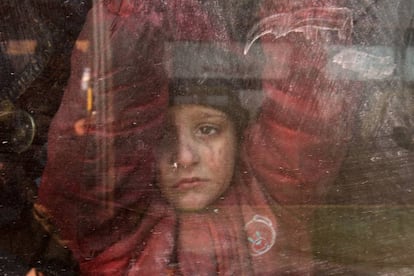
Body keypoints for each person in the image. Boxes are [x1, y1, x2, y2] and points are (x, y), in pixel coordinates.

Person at [37, 0, 355, 274]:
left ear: (240, 136)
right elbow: (100, 135)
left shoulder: (270, 197)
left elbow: (302, 110)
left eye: (207, 130)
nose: (185, 157)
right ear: (139, 147)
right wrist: (134, 16)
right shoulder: (116, 229)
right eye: (163, 137)